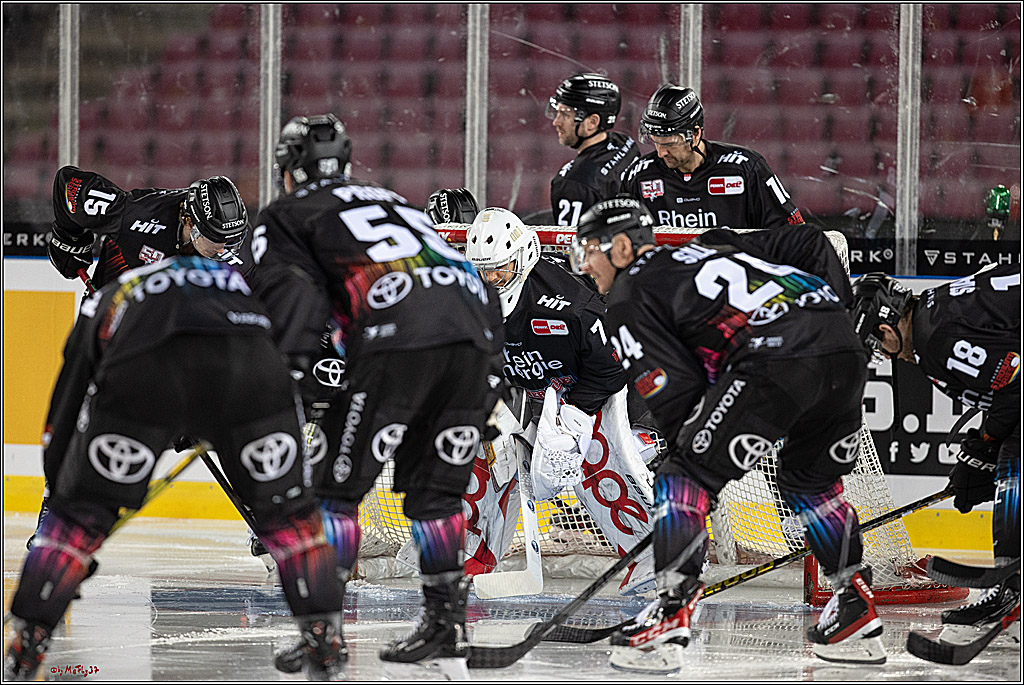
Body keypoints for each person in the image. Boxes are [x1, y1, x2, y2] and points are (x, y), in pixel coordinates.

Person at [572, 198, 886, 664]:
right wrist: (837, 315)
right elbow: (810, 241)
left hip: (774, 358)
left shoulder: (627, 298)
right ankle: (855, 608)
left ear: (621, 247)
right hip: (844, 349)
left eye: (589, 251)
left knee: (681, 479)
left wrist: (691, 472)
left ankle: (669, 617)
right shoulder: (711, 244)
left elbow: (676, 393)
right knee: (809, 483)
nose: (584, 266)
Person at [3, 256, 343, 680]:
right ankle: (325, 633)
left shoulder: (113, 294)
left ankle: (28, 637)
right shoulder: (240, 282)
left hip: (146, 373)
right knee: (291, 515)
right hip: (250, 371)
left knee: (79, 518)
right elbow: (292, 357)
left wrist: (67, 499)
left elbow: (68, 402)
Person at [250, 113, 504, 670]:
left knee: (335, 494)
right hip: (477, 338)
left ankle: (324, 630)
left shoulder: (285, 215)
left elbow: (295, 305)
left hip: (399, 340)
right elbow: (464, 274)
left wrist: (281, 379)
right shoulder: (395, 200)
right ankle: (444, 624)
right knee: (436, 496)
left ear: (288, 171)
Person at [29, 168, 256, 552]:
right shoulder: (138, 216)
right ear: (189, 220)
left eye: (229, 242)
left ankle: (266, 517)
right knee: (86, 424)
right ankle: (55, 522)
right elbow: (69, 184)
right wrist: (71, 239)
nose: (222, 251)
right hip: (112, 328)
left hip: (173, 332)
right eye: (214, 241)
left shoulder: (234, 255)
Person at [462, 206, 658, 595]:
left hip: (598, 391)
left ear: (525, 255)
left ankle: (654, 557)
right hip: (535, 395)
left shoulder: (570, 305)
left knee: (596, 465)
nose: (493, 279)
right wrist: (491, 414)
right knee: (484, 461)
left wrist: (575, 418)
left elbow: (613, 366)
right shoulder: (468, 300)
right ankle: (470, 561)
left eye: (500, 267)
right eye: (484, 270)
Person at [850, 265, 1020, 642]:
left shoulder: (935, 337)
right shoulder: (934, 312)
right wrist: (982, 448)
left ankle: (1012, 593)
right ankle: (1012, 588)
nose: (883, 354)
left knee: (1015, 464)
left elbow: (1016, 385)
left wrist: (987, 444)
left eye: (878, 345)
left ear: (887, 329)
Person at [621, 85, 804, 231]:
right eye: (655, 142)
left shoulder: (746, 168)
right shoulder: (639, 176)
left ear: (695, 134)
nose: (661, 153)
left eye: (669, 144)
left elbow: (795, 231)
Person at [547, 73, 639, 227]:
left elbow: (571, 247)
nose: (556, 122)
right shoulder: (625, 144)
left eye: (565, 114)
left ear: (592, 122)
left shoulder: (573, 184)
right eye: (558, 112)